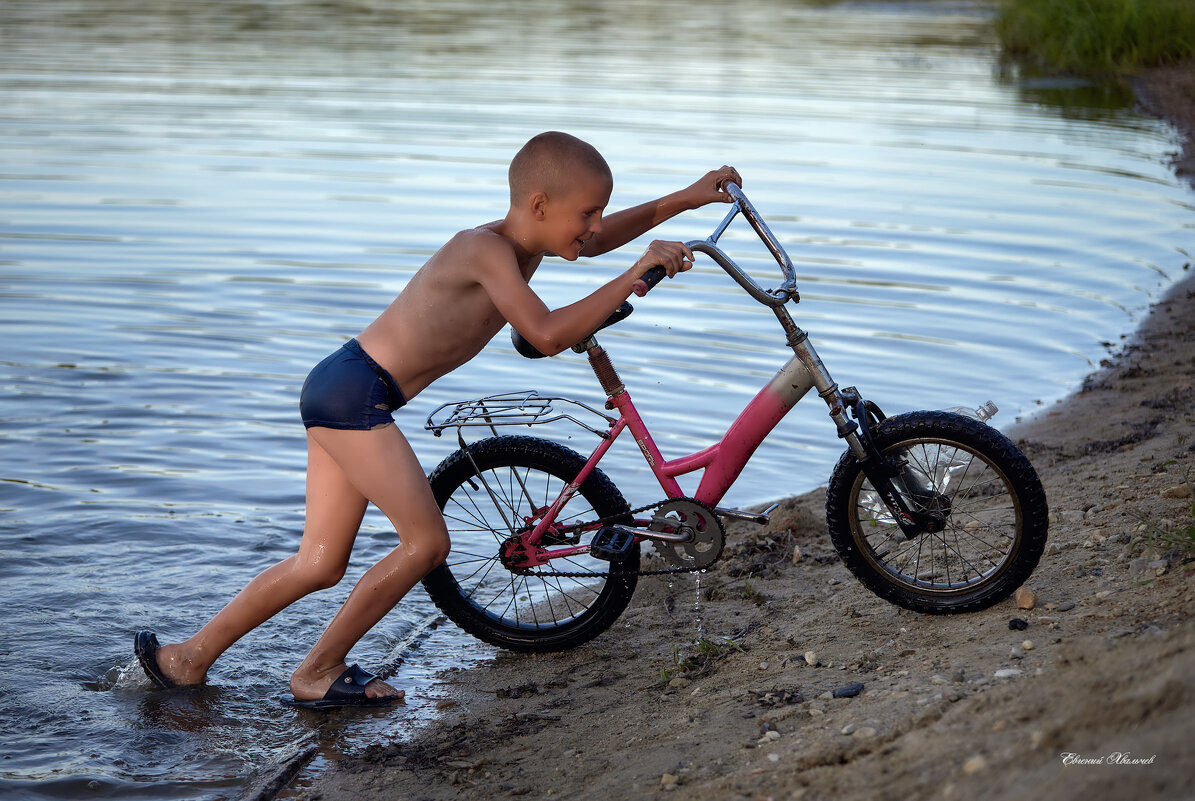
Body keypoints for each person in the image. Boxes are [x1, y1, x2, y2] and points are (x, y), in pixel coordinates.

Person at [135, 131, 741, 710]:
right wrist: (638, 273)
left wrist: (687, 197)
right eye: (585, 214)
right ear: (538, 204)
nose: (592, 228)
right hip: (355, 394)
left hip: (344, 388)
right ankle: (316, 672)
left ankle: (188, 658)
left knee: (319, 563)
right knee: (426, 544)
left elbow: (600, 241)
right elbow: (548, 333)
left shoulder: (523, 243)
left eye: (596, 214)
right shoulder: (484, 250)